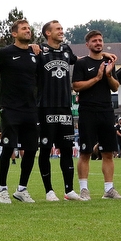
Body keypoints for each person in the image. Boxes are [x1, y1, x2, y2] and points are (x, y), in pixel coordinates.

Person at [0, 19, 40, 203]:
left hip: (30, 109)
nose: (27, 30)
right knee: (8, 147)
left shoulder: (35, 53)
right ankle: (2, 189)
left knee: (31, 149)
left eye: (28, 28)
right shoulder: (5, 53)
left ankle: (21, 189)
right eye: (23, 28)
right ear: (14, 33)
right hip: (10, 107)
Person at [71, 30, 121, 200]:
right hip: (87, 111)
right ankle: (84, 189)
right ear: (87, 44)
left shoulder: (109, 62)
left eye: (100, 40)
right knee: (85, 152)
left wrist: (107, 75)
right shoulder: (82, 64)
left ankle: (109, 190)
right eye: (94, 41)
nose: (98, 43)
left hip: (106, 111)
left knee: (108, 152)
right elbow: (76, 86)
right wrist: (97, 77)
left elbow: (115, 87)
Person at [36, 21, 82, 201]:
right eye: (58, 29)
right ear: (48, 33)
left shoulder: (66, 50)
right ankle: (49, 191)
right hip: (46, 107)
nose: (61, 31)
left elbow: (81, 61)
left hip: (65, 107)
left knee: (66, 149)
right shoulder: (39, 51)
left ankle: (69, 190)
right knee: (46, 149)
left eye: (62, 29)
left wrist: (102, 55)